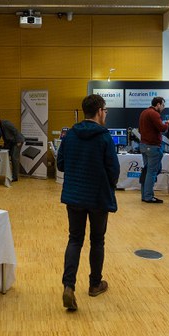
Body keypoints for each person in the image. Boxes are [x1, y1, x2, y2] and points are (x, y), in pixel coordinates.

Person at [57, 94, 119, 311]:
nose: (106, 114)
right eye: (106, 110)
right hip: (98, 197)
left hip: (74, 195)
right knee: (97, 240)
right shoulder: (104, 137)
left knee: (75, 240)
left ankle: (68, 286)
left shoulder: (70, 135)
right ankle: (94, 284)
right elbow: (114, 170)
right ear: (100, 111)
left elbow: (61, 164)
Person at [138, 96, 168, 203]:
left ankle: (145, 194)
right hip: (153, 147)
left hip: (144, 145)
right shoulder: (154, 114)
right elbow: (162, 128)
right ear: (158, 104)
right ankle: (148, 196)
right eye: (163, 105)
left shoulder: (144, 113)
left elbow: (140, 130)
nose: (164, 108)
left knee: (147, 171)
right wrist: (168, 123)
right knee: (152, 172)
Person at [0, 114, 25, 182]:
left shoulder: (6, 123)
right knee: (8, 156)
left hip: (17, 141)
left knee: (14, 158)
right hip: (11, 142)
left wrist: (18, 141)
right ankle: (10, 174)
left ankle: (15, 177)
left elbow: (15, 131)